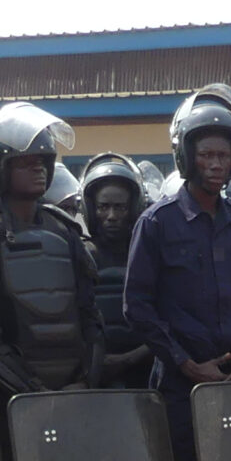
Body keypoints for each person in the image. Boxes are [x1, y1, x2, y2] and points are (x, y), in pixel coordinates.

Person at [122, 88, 231, 461]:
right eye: (206, 155)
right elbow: (137, 306)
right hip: (179, 384)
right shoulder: (157, 222)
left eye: (224, 155)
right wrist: (186, 363)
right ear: (187, 157)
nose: (216, 164)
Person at [0, 104, 103, 403]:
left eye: (42, 160)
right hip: (4, 400)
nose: (38, 168)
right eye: (25, 162)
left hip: (74, 397)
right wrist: (32, 392)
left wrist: (86, 381)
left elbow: (91, 317)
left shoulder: (65, 230)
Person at [80, 154, 153, 388]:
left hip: (148, 371)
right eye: (103, 207)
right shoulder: (77, 254)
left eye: (120, 207)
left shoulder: (151, 254)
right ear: (91, 209)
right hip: (91, 374)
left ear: (133, 209)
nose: (111, 216)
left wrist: (130, 359)